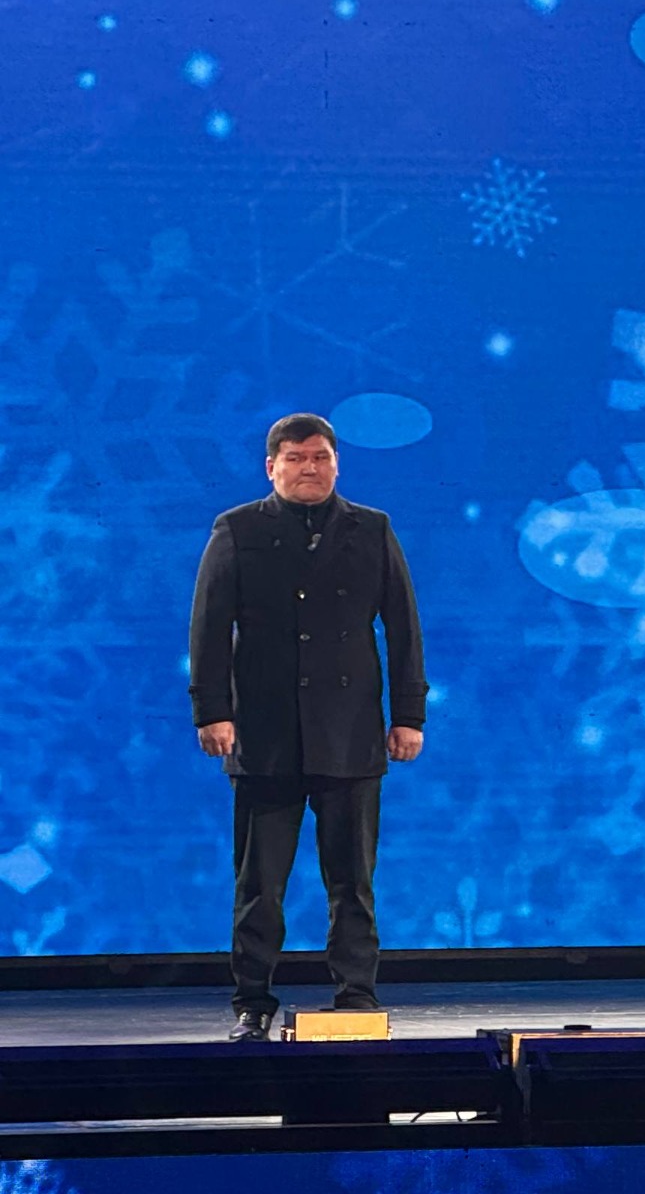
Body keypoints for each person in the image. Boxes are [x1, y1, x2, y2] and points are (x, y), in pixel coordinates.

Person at [188, 413, 428, 1040]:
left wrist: (409, 715)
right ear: (271, 467)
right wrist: (212, 710)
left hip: (350, 732)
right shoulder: (238, 529)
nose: (308, 468)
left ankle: (356, 996)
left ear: (337, 464)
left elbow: (403, 627)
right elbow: (209, 626)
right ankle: (252, 1002)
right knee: (259, 883)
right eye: (295, 458)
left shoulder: (372, 529)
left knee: (352, 881)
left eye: (319, 457)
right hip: (264, 733)